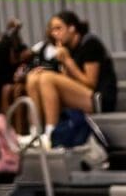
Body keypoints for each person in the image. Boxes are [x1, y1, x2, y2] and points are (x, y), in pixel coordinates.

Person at [24, 10, 118, 147]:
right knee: (34, 77)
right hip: (80, 95)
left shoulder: (90, 44)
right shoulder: (66, 48)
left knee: (46, 78)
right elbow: (66, 81)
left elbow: (90, 83)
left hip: (99, 99)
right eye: (52, 30)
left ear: (72, 28)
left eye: (58, 28)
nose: (54, 33)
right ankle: (35, 132)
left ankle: (51, 134)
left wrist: (67, 61)